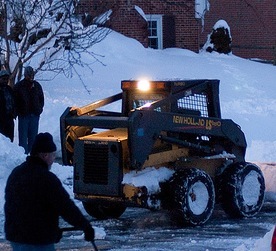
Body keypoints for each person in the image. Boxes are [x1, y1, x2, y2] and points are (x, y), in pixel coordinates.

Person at [4, 132, 94, 251]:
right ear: (44, 155)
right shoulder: (46, 178)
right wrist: (85, 226)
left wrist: (51, 230)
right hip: (36, 240)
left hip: (15, 237)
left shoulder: (17, 173)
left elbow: (21, 207)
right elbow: (66, 207)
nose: (53, 159)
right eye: (52, 155)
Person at [14, 66, 44, 154]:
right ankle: (23, 157)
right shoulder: (19, 86)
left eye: (32, 74)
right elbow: (14, 101)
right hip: (23, 116)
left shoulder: (37, 86)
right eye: (29, 74)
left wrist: (39, 110)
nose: (31, 76)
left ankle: (32, 156)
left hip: (34, 115)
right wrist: (18, 112)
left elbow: (41, 99)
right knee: (23, 139)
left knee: (33, 139)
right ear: (25, 74)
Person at [0, 70, 15, 142]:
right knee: (2, 140)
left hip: (9, 118)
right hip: (1, 119)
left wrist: (14, 112)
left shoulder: (9, 89)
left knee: (10, 139)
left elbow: (14, 101)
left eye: (6, 79)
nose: (5, 81)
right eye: (3, 79)